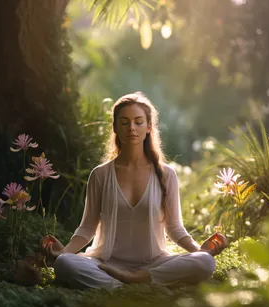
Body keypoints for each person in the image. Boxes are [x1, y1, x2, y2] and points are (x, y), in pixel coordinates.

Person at [43, 92, 225, 289]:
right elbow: (87, 228)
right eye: (124, 122)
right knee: (64, 263)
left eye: (138, 122)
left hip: (153, 263)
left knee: (205, 261)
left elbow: (175, 228)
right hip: (105, 263)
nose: (131, 128)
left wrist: (199, 250)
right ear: (115, 127)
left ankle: (137, 278)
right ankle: (123, 285)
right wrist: (64, 252)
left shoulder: (166, 175)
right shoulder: (100, 175)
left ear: (149, 127)